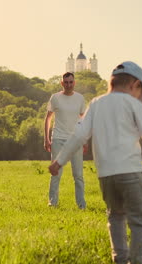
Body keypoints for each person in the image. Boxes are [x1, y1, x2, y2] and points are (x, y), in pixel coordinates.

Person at [49, 61, 142, 264]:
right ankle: (138, 260)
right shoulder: (133, 104)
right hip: (131, 172)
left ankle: (120, 260)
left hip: (106, 176)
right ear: (134, 84)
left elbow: (78, 136)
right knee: (139, 220)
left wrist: (59, 161)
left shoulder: (96, 103)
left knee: (116, 217)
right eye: (141, 90)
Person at [44, 72, 87, 209]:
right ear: (62, 83)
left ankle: (81, 205)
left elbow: (83, 120)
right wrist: (46, 139)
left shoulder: (80, 98)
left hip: (75, 141)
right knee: (55, 173)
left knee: (78, 175)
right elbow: (48, 118)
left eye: (71, 82)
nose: (68, 85)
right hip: (58, 139)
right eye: (66, 82)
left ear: (74, 83)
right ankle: (52, 203)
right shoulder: (55, 98)